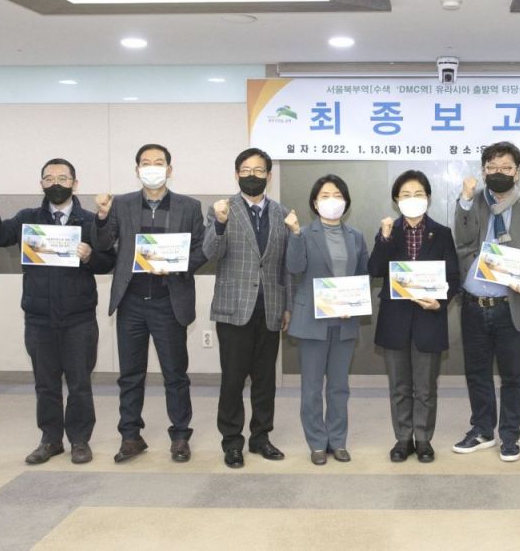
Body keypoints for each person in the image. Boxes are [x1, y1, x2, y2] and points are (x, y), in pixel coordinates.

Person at [0, 159, 116, 465]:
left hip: (79, 318)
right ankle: (50, 440)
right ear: (41, 184)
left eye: (63, 178)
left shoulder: (89, 221)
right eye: (49, 178)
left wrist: (90, 256)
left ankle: (79, 440)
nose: (56, 184)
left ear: (75, 184)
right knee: (46, 383)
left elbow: (109, 261)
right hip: (39, 318)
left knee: (79, 383)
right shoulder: (28, 219)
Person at [92, 144, 207, 464]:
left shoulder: (189, 206)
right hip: (131, 301)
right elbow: (103, 245)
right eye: (146, 163)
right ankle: (130, 436)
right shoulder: (121, 204)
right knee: (130, 374)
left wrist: (178, 265)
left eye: (159, 162)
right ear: (137, 170)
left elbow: (202, 249)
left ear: (169, 169)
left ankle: (180, 436)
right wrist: (101, 216)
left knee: (175, 374)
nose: (152, 167)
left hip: (169, 301)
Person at [452, 141, 520, 462]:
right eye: (492, 167)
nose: (499, 173)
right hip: (474, 305)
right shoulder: (474, 203)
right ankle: (482, 430)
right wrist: (465, 201)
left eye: (506, 167)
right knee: (477, 373)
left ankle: (510, 436)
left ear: (517, 172)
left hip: (511, 306)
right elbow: (463, 239)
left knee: (512, 377)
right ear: (483, 172)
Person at [202, 148, 292, 468]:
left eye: (259, 170)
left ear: (269, 175)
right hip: (234, 308)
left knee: (265, 380)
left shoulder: (282, 213)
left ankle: (261, 437)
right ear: (236, 174)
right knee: (233, 379)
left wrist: (287, 306)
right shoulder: (222, 209)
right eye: (246, 170)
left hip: (270, 307)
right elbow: (210, 252)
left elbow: (286, 266)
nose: (252, 176)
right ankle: (232, 441)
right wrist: (220, 224)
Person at [368, 170, 461, 463]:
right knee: (399, 386)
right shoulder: (388, 231)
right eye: (406, 194)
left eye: (418, 194)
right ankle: (402, 439)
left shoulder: (442, 233)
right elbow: (374, 270)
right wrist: (384, 239)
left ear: (428, 198)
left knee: (425, 387)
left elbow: (454, 277)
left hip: (428, 320)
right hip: (394, 319)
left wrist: (439, 302)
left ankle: (423, 440)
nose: (412, 199)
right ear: (397, 199)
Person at [285, 174, 369, 465]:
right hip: (313, 320)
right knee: (311, 388)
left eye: (337, 195)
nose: (332, 200)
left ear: (346, 201)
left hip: (344, 320)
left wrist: (353, 302)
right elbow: (295, 267)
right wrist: (295, 234)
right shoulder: (304, 233)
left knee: (339, 386)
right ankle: (317, 443)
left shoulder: (355, 235)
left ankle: (338, 441)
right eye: (325, 195)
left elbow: (362, 274)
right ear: (314, 202)